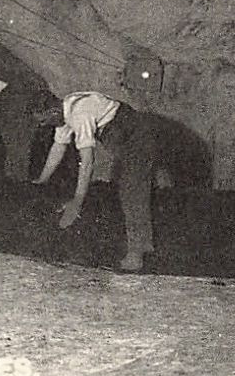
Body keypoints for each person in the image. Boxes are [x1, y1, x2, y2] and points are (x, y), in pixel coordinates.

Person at [32, 89, 161, 272]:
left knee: (131, 192)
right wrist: (41, 180)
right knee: (131, 189)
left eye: (44, 121)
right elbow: (58, 148)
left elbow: (87, 163)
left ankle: (136, 256)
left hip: (137, 135)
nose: (44, 125)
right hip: (127, 133)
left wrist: (77, 200)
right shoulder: (65, 109)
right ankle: (146, 245)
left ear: (53, 112)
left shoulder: (79, 115)